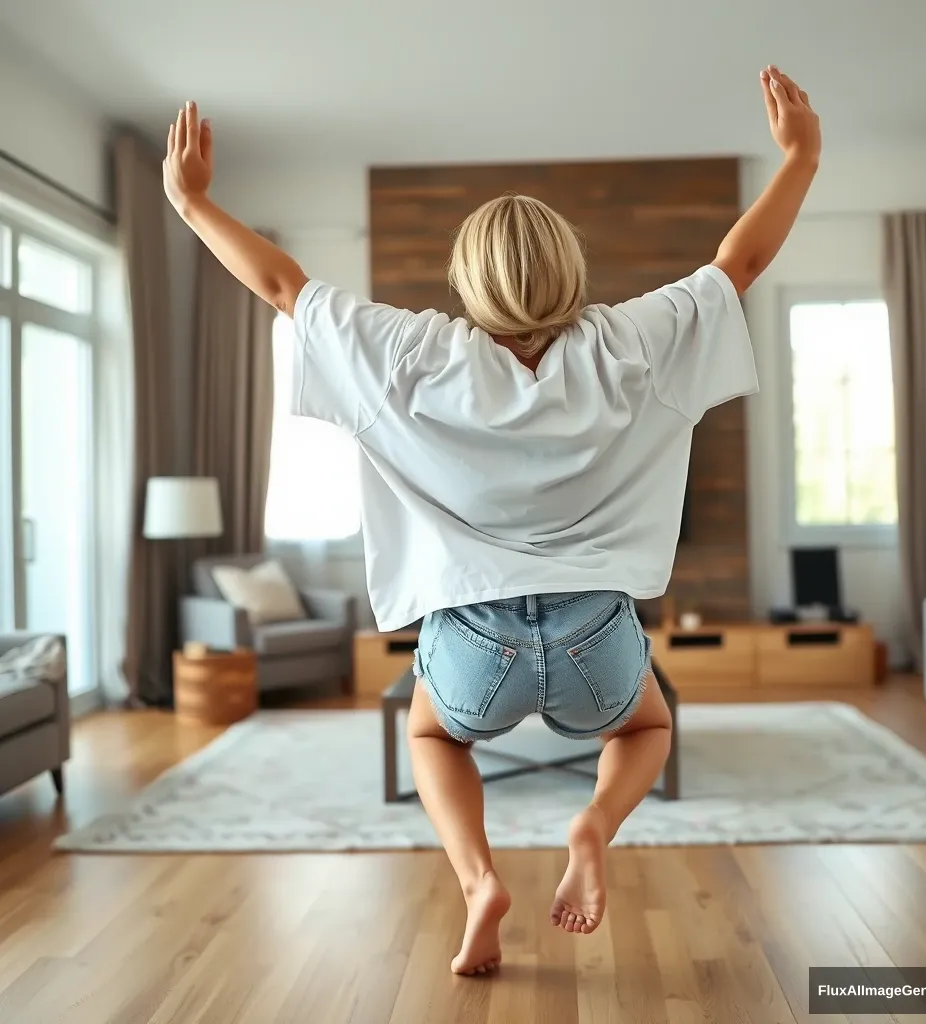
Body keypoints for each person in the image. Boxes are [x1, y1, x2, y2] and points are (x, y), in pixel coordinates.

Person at [163, 65, 820, 976]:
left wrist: (194, 204)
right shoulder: (632, 342)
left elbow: (282, 287)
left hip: (474, 642)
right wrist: (800, 157)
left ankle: (480, 882)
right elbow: (738, 263)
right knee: (647, 729)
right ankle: (592, 826)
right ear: (571, 269)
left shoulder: (411, 353)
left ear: (467, 279)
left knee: (431, 735)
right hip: (597, 633)